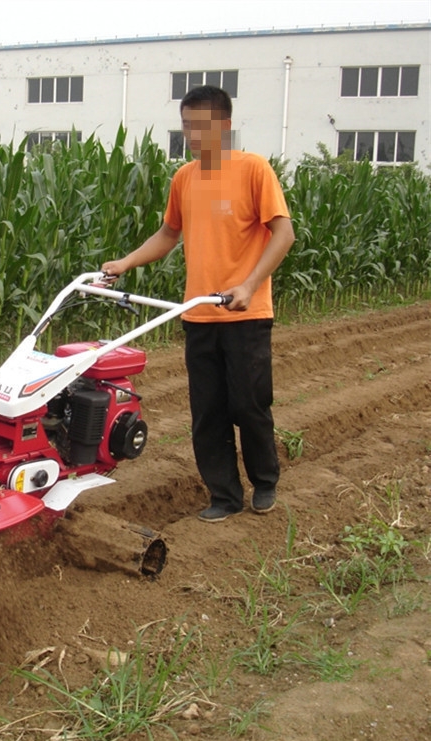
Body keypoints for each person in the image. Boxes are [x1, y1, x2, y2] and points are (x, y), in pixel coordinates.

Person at [102, 85, 295, 522]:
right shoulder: (185, 178)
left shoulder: (253, 170)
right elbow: (169, 234)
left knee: (248, 405)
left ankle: (264, 483)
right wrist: (127, 262)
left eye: (199, 126)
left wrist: (248, 286)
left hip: (245, 314)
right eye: (186, 125)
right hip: (199, 314)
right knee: (208, 412)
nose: (190, 134)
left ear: (223, 126)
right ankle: (224, 496)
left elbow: (283, 234)